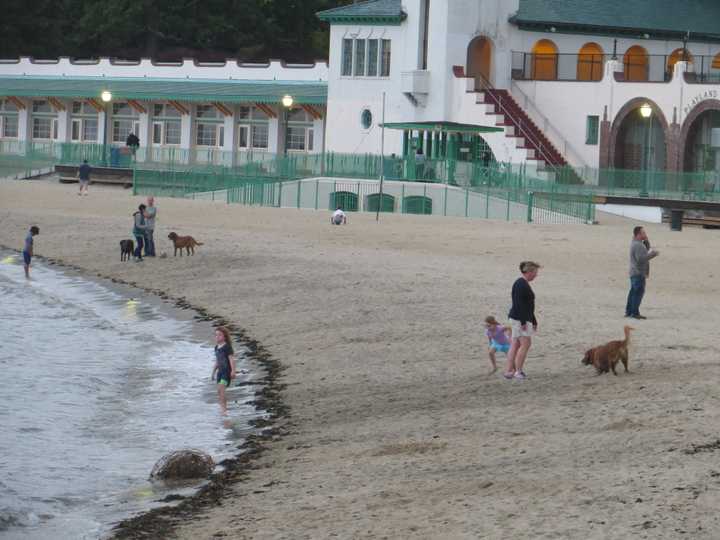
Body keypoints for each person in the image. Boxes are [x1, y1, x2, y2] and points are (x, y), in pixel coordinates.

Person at [505, 261, 541, 380]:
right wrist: (524, 322)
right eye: (535, 272)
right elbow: (519, 304)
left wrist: (534, 320)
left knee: (515, 344)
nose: (536, 275)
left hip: (518, 318)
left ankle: (509, 371)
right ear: (529, 272)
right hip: (520, 319)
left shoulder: (521, 283)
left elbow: (528, 305)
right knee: (525, 344)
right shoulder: (521, 284)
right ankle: (518, 371)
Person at [626, 226, 660, 320]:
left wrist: (647, 241)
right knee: (638, 293)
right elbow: (641, 259)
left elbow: (646, 250)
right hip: (638, 272)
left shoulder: (637, 243)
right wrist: (653, 254)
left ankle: (629, 312)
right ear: (638, 234)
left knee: (633, 292)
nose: (645, 234)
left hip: (635, 272)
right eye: (643, 233)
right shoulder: (638, 245)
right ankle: (634, 312)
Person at [210, 327, 236, 414]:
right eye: (216, 335)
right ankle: (222, 408)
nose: (217, 337)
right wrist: (213, 372)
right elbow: (217, 361)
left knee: (221, 389)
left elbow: (231, 359)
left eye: (219, 335)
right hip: (220, 373)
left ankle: (224, 410)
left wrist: (233, 371)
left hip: (226, 372)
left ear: (224, 336)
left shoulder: (227, 347)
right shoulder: (216, 347)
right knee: (219, 391)